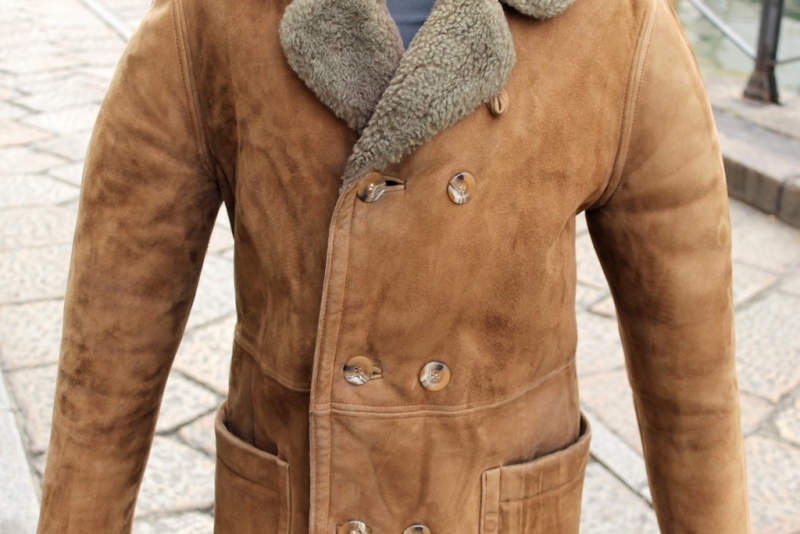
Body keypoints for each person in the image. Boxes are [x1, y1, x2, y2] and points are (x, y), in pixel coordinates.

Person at [36, 0, 752, 532]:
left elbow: (694, 386)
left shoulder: (615, 23)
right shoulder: (213, 18)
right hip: (294, 502)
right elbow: (109, 353)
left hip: (491, 505)